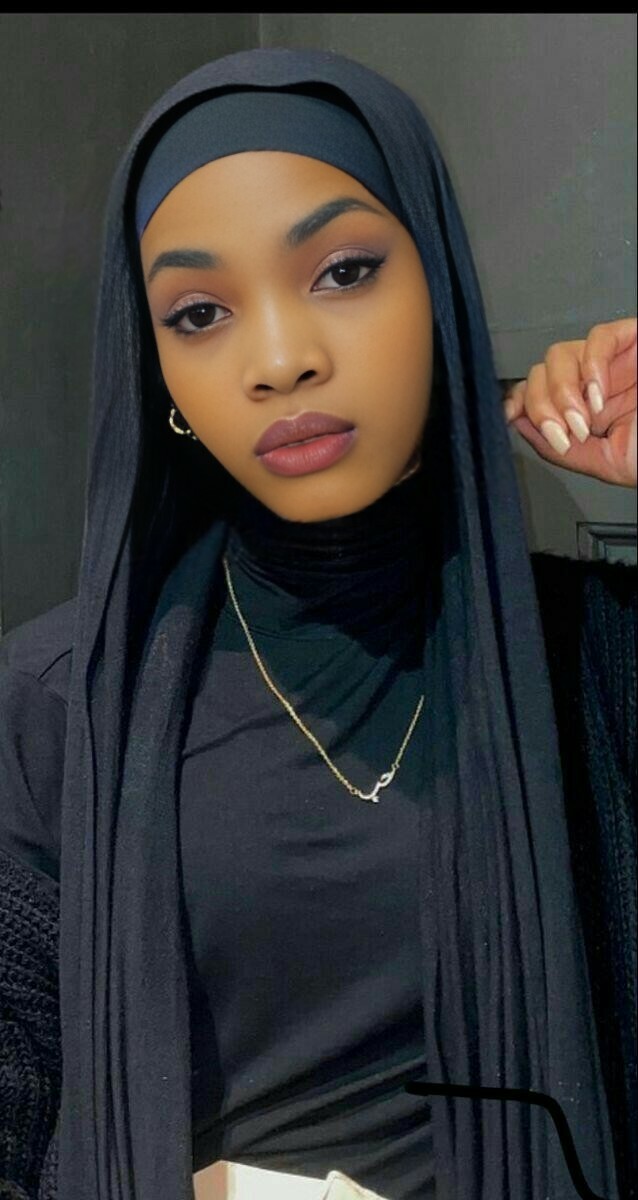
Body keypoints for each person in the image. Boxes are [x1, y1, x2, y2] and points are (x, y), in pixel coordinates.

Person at [0, 46, 635, 1200]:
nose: (281, 360)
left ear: (437, 291)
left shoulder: (596, 663)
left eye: (342, 271)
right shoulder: (54, 706)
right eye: (199, 312)